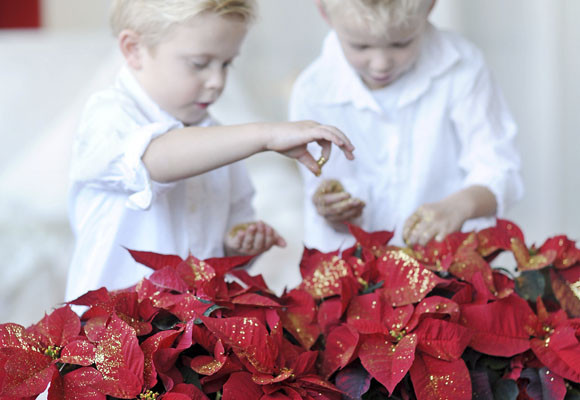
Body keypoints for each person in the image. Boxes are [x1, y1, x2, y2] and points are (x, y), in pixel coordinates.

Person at [65, 0, 355, 301]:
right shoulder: (108, 115)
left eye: (226, 63)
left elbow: (217, 250)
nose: (218, 82)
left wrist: (236, 247)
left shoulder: (217, 137)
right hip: (107, 333)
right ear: (134, 49)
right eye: (200, 63)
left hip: (189, 333)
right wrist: (265, 134)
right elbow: (153, 160)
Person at [290, 0, 523, 252]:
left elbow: (500, 170)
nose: (381, 64)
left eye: (401, 43)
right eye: (360, 46)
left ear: (430, 7)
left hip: (445, 269)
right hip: (350, 267)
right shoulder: (312, 91)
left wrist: (459, 206)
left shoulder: (463, 68)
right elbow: (321, 183)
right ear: (324, 13)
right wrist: (332, 207)